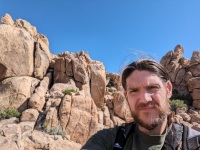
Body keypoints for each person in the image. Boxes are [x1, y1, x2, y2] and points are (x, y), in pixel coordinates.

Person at [81, 59, 200, 150]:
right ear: (126, 95)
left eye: (152, 87)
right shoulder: (108, 140)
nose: (144, 99)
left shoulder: (194, 142)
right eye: (134, 91)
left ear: (168, 89)